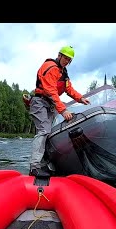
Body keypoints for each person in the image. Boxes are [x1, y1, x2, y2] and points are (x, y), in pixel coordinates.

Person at [27, 45, 90, 177]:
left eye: (69, 60)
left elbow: (69, 89)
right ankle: (34, 167)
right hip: (39, 102)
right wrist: (63, 111)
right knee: (44, 130)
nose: (67, 61)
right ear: (59, 55)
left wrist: (80, 98)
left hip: (49, 104)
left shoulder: (63, 72)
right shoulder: (50, 67)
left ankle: (44, 164)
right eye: (65, 58)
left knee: (49, 132)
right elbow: (50, 91)